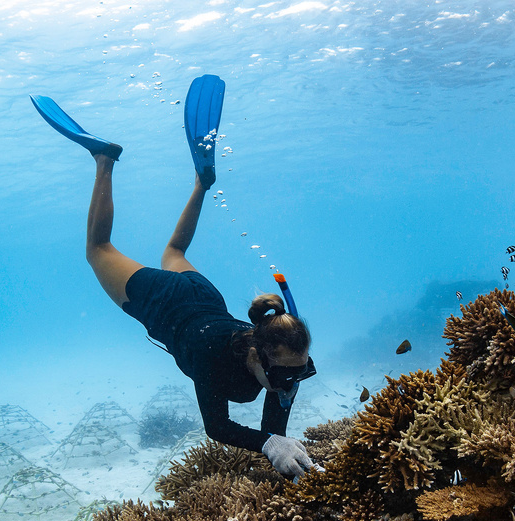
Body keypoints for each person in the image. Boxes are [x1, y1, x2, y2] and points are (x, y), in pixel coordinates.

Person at [29, 77, 319, 479]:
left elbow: (274, 427)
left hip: (205, 296)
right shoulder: (213, 358)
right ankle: (103, 160)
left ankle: (201, 184)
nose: (293, 381)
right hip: (168, 301)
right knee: (97, 250)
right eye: (288, 374)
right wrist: (268, 443)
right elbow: (217, 427)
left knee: (174, 253)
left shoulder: (287, 357)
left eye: (301, 371)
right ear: (257, 355)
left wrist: (279, 443)